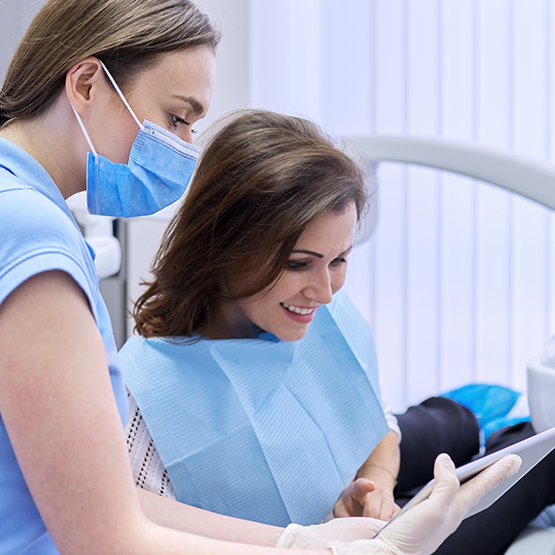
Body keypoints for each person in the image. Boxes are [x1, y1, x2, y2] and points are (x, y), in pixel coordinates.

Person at [0, 1, 518, 554]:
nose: (182, 150)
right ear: (85, 83)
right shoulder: (30, 232)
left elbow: (103, 500)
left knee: (461, 430)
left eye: (337, 261)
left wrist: (300, 542)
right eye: (177, 118)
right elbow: (106, 535)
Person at [119, 110, 552, 555]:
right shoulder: (144, 400)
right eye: (298, 264)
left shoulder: (311, 311)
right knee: (541, 455)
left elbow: (378, 430)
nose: (325, 293)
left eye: (339, 260)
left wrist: (377, 489)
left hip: (356, 501)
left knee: (457, 421)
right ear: (224, 245)